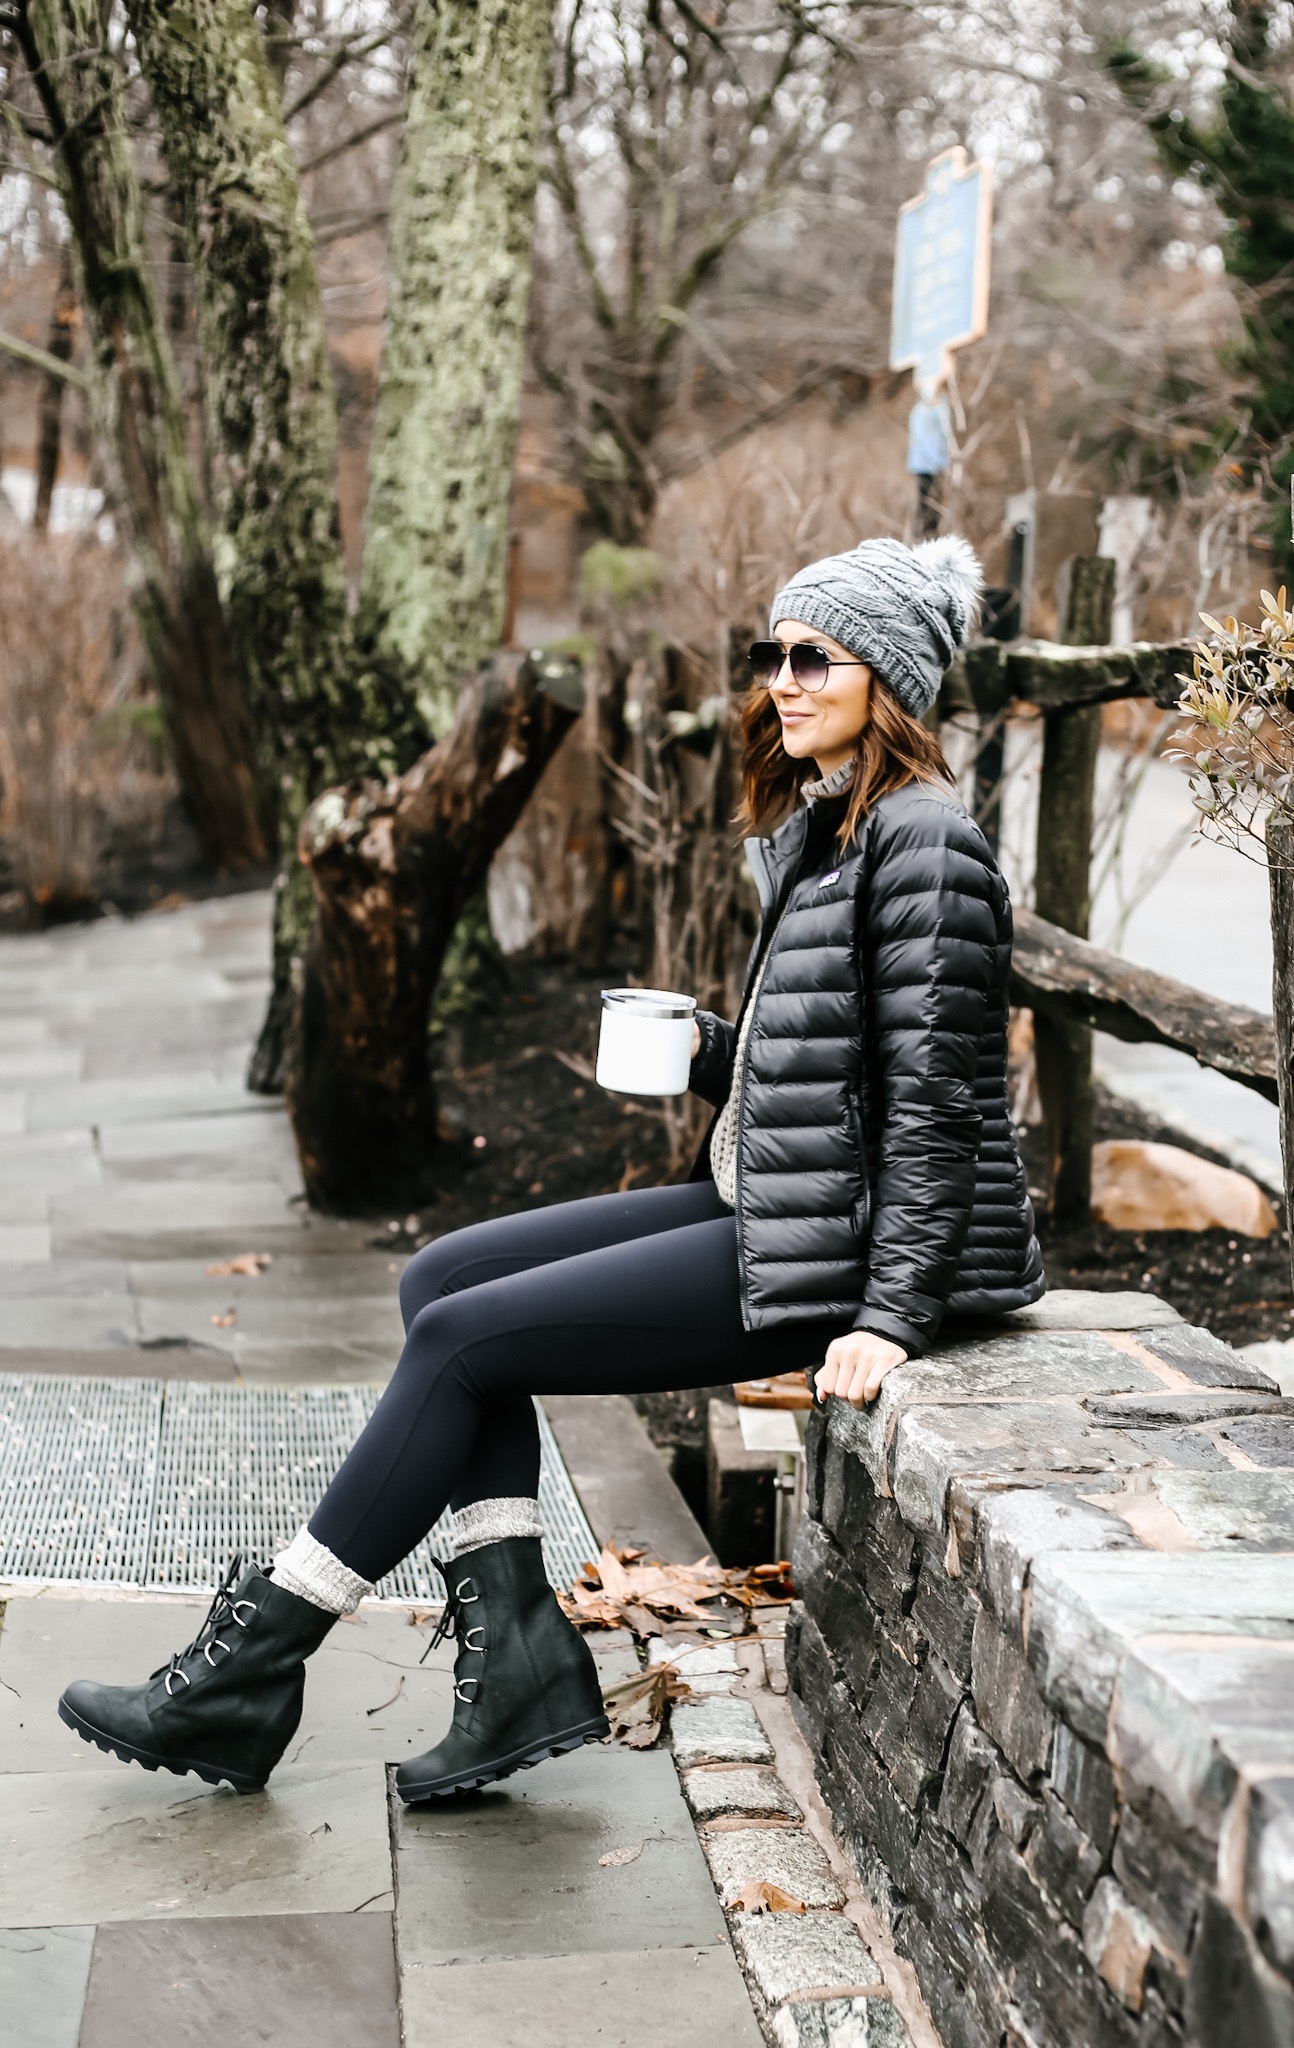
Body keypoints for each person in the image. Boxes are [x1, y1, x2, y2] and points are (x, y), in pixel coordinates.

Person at [58, 531, 1044, 1803]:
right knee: (440, 1277)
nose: (779, 680)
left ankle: (254, 1664)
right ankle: (516, 1657)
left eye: (815, 657)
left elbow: (939, 1100)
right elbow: (832, 1073)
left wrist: (891, 1314)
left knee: (468, 1343)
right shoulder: (830, 830)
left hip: (839, 1247)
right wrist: (704, 1049)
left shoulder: (926, 844)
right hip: (781, 1198)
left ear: (888, 681)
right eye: (771, 654)